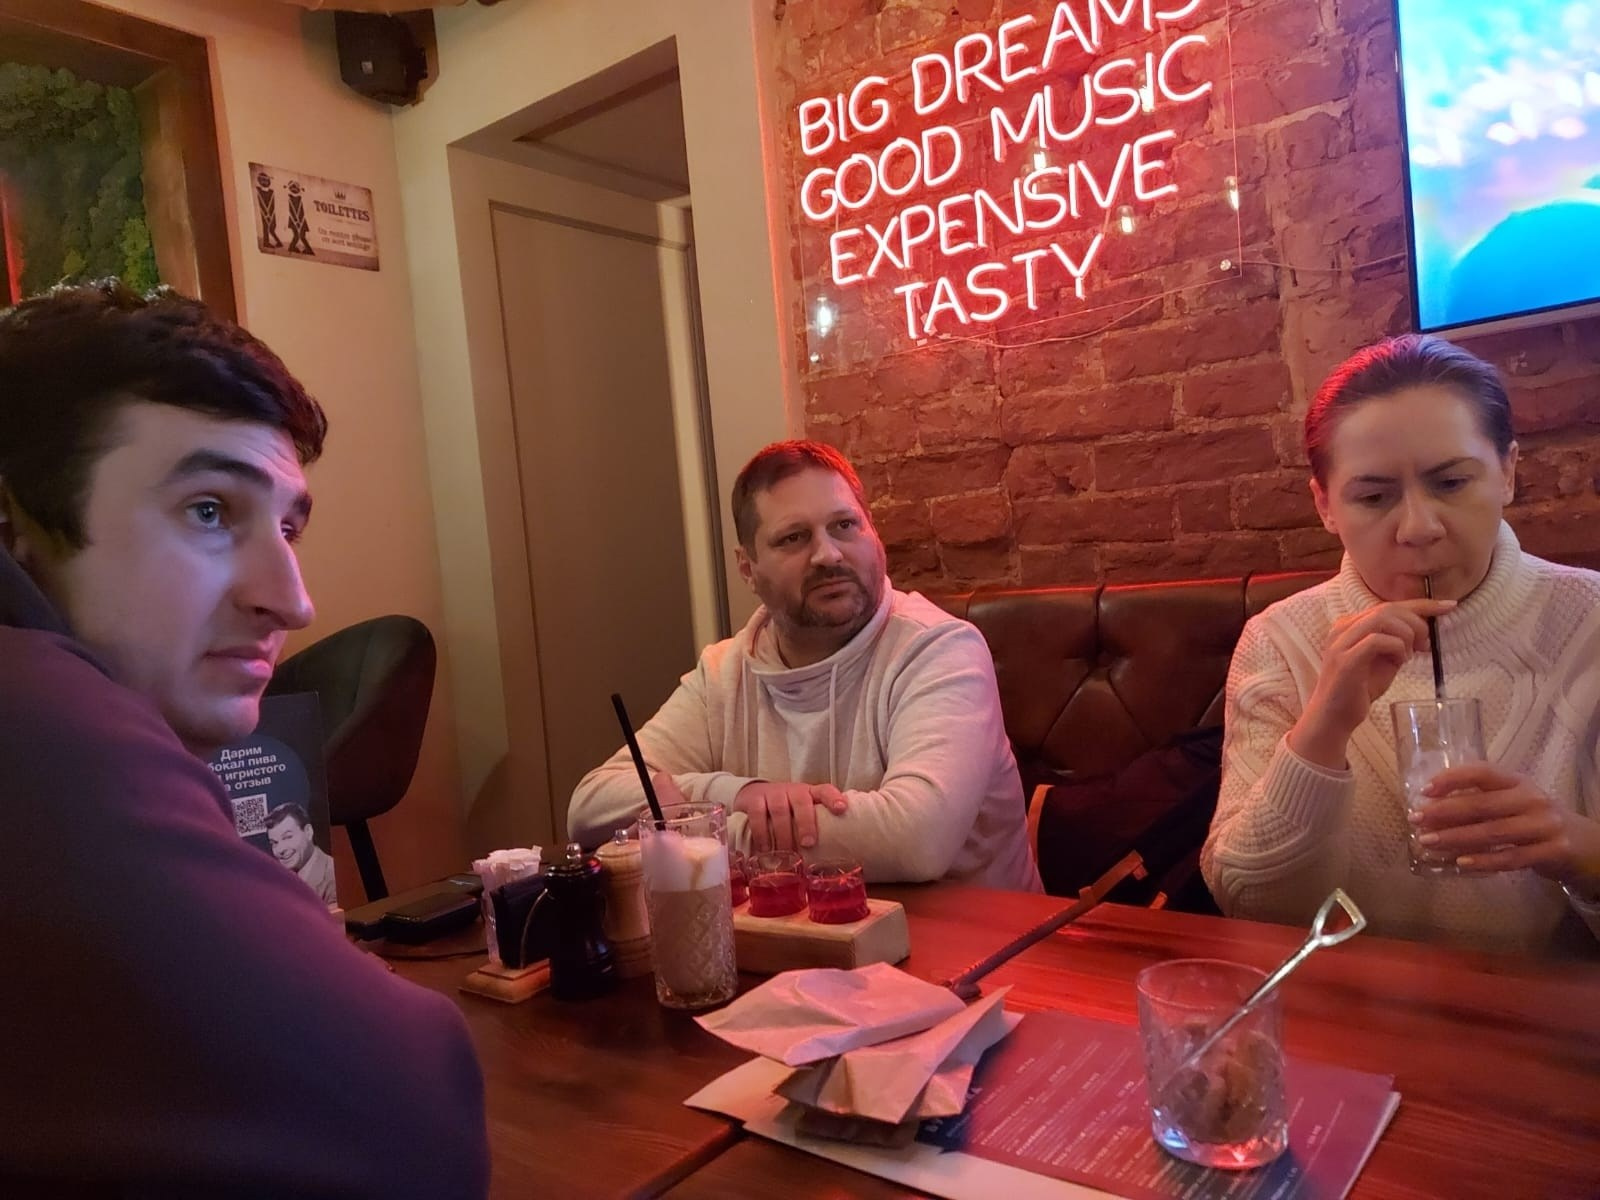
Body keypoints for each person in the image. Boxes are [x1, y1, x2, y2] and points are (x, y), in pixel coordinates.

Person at [0, 281, 487, 1197]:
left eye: (289, 525)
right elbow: (409, 1116)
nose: (293, 601)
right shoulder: (29, 717)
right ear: (15, 527)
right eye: (210, 510)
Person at [1202, 334, 1600, 955]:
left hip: (1547, 1010)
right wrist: (1323, 729)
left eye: (1452, 483)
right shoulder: (1279, 640)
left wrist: (1578, 847)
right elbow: (1247, 901)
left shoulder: (1590, 622)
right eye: (1373, 497)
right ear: (1325, 505)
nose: (1418, 528)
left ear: (1508, 472)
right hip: (1348, 1003)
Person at [568, 440, 1041, 892]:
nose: (828, 554)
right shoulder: (724, 673)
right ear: (747, 568)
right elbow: (591, 806)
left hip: (976, 942)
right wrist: (738, 794)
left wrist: (697, 829)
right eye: (794, 538)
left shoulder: (939, 649)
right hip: (799, 940)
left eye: (844, 525)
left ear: (874, 534)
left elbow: (918, 839)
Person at [265, 802, 338, 906]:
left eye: (288, 837)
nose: (280, 849)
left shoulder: (333, 878)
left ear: (308, 832)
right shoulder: (278, 880)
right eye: (274, 843)